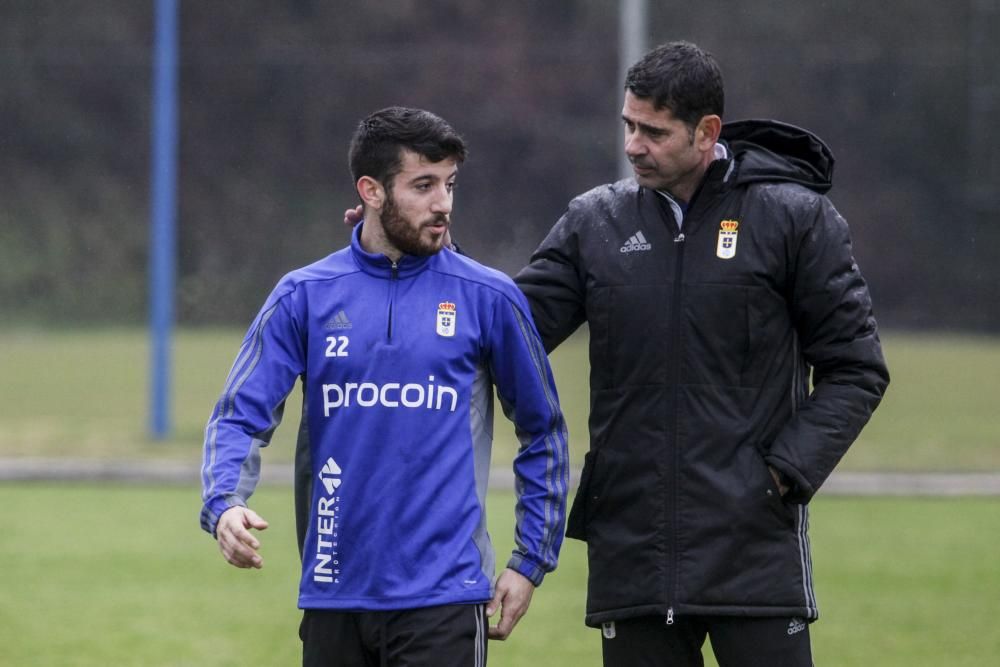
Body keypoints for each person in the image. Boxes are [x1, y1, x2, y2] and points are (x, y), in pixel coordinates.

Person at [348, 40, 889, 666]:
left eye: (654, 131)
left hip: (754, 550)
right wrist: (406, 239)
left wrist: (781, 474)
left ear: (706, 131)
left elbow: (856, 367)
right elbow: (498, 328)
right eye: (628, 124)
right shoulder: (595, 223)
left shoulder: (796, 219)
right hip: (632, 549)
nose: (633, 144)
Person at [201, 106, 569, 666]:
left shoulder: (488, 298)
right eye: (423, 185)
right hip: (332, 592)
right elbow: (239, 414)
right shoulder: (305, 295)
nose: (443, 202)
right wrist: (224, 502)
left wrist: (529, 560)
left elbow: (544, 431)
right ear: (370, 191)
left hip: (445, 597)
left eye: (449, 184)